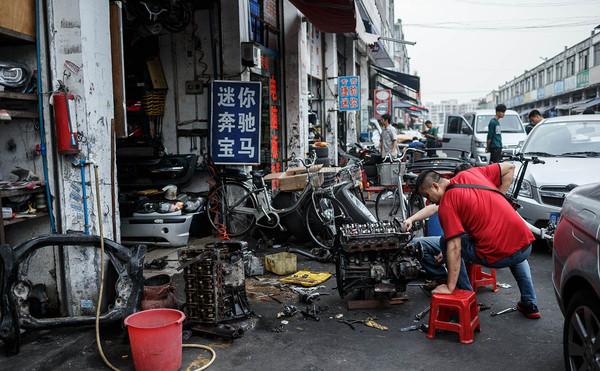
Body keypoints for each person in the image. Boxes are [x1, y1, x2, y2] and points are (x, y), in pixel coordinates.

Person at [411, 163, 541, 319]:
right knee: (511, 242)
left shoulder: (447, 203)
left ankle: (468, 297)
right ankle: (529, 303)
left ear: (435, 186)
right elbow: (509, 167)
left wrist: (449, 286)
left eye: (427, 196)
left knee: (446, 241)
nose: (429, 202)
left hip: (497, 255)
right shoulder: (473, 173)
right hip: (525, 246)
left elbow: (454, 247)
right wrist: (500, 198)